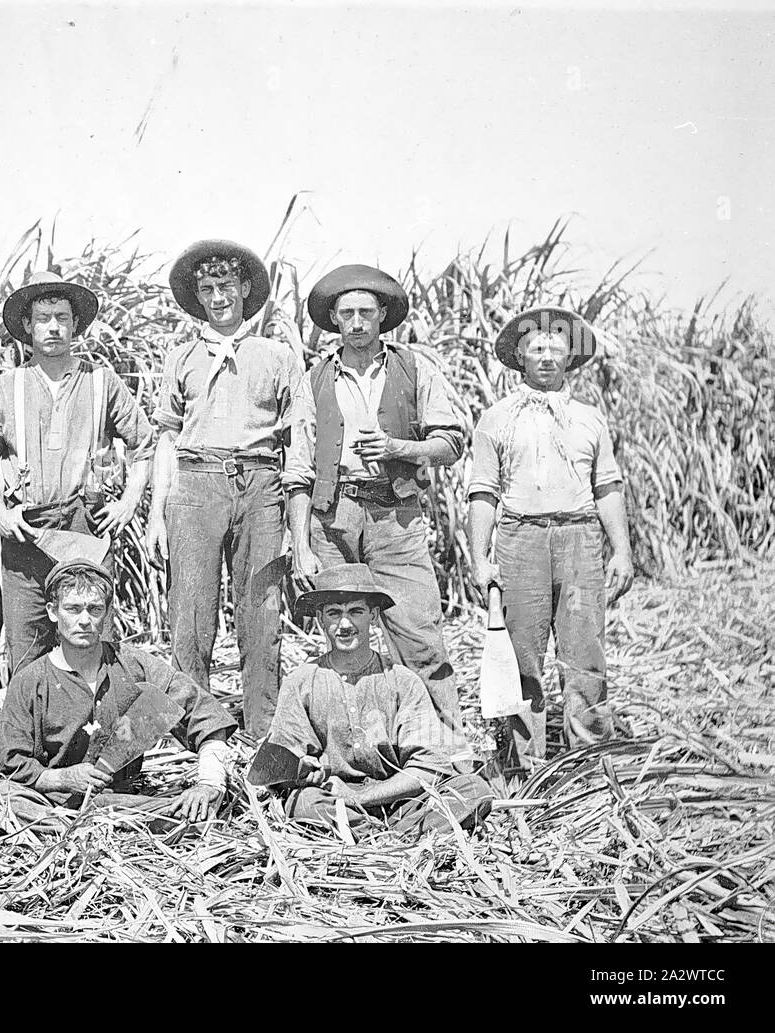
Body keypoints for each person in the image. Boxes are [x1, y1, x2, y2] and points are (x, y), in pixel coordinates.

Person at [284, 264, 466, 730]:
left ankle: (443, 752)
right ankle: (354, 748)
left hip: (395, 516)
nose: (358, 322)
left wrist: (397, 448)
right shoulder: (315, 379)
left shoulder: (414, 368)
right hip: (334, 519)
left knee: (419, 638)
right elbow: (299, 471)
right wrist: (302, 546)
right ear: (335, 320)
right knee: (343, 637)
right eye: (348, 313)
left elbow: (451, 445)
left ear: (383, 314)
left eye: (367, 311)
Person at [145, 239, 303, 738]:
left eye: (226, 287)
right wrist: (156, 517)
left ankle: (261, 728)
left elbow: (298, 435)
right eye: (208, 289)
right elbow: (166, 438)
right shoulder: (181, 358)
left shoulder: (276, 356)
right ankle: (199, 730)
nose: (218, 298)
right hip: (195, 484)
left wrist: (296, 521)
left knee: (261, 608)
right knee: (190, 611)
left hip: (260, 483)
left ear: (245, 290)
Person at [468, 307, 633, 766]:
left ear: (569, 356)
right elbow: (482, 492)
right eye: (536, 348)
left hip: (580, 539)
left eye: (555, 348)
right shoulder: (496, 419)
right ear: (520, 356)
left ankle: (591, 760)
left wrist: (621, 550)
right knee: (522, 653)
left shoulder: (589, 419)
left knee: (585, 651)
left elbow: (608, 488)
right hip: (521, 540)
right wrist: (479, 558)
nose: (545, 356)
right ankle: (525, 766)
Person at [0, 271, 156, 672]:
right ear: (26, 326)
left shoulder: (102, 383)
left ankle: (99, 734)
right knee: (26, 651)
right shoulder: (6, 388)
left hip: (84, 528)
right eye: (43, 318)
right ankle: (31, 733)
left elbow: (146, 446)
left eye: (61, 317)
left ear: (76, 324)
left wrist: (127, 504)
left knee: (95, 646)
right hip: (27, 533)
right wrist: (1, 516)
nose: (53, 327)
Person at [0, 559, 236, 825]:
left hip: (121, 800)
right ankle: (69, 828)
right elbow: (9, 767)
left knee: (194, 812)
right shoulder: (30, 681)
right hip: (53, 801)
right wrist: (63, 778)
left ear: (106, 613)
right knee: (1, 797)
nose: (84, 620)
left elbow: (203, 712)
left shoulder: (131, 664)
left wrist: (210, 783)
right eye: (73, 609)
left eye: (94, 609)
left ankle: (133, 821)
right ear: (53, 612)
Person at [264, 564, 493, 836]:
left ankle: (380, 838)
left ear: (373, 616)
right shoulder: (301, 682)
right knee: (303, 803)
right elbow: (276, 766)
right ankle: (392, 838)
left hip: (398, 800)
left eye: (356, 611)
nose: (345, 624)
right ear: (320, 619)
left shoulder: (402, 682)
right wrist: (303, 771)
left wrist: (361, 796)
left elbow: (428, 769)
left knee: (473, 790)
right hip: (334, 803)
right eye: (334, 613)